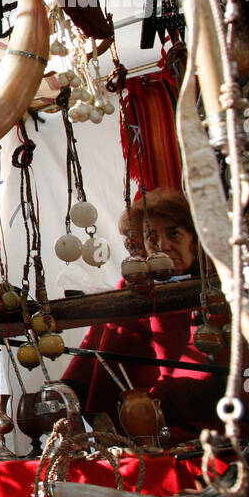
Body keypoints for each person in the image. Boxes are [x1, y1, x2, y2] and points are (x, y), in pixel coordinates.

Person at [62, 187, 225, 442]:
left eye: (174, 234)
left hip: (217, 425)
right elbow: (95, 367)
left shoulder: (218, 289)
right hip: (142, 431)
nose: (163, 246)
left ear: (195, 239)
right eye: (152, 238)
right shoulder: (130, 293)